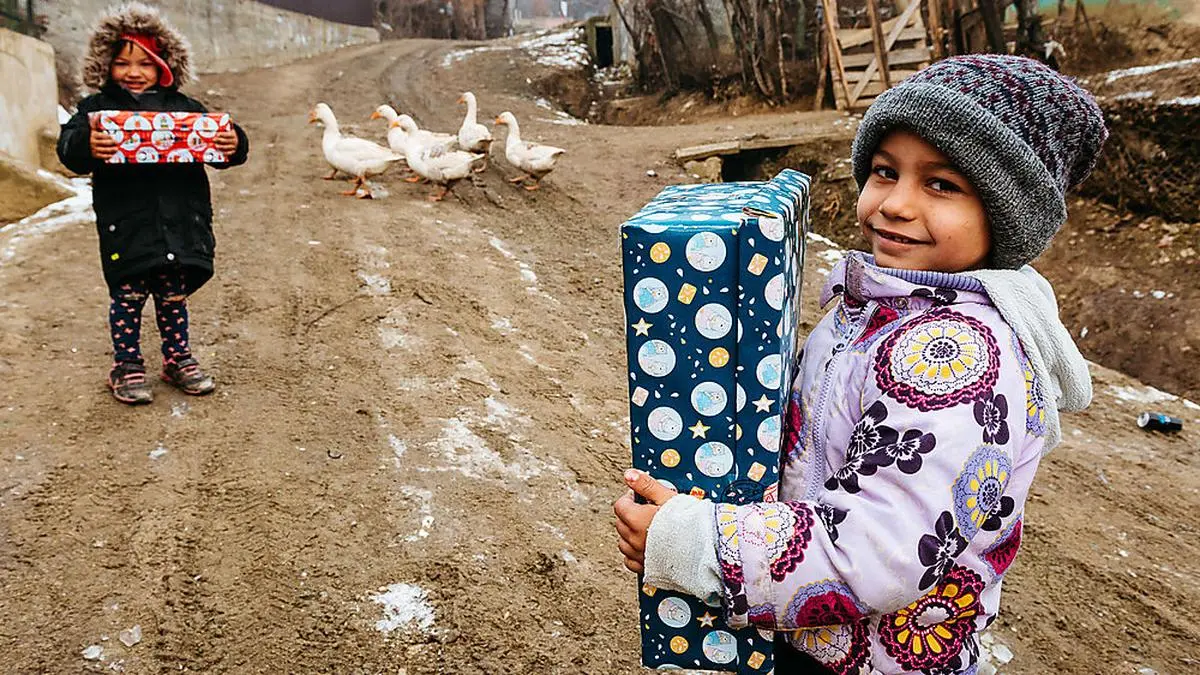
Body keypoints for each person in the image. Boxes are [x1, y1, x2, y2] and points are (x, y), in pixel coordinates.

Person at [614, 54, 1106, 674]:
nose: (895, 204)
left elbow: (881, 551)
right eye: (883, 171)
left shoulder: (951, 359)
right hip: (818, 634)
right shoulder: (881, 306)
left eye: (941, 184)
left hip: (869, 659)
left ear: (1007, 216)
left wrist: (697, 543)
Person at [57, 2, 249, 405]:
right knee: (127, 297)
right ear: (106, 65)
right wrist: (87, 146)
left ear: (164, 67)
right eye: (123, 63)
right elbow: (69, 147)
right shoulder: (96, 112)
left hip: (179, 222)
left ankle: (177, 358)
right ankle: (126, 365)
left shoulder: (185, 109)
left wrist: (233, 143)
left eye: (145, 64)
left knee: (173, 296)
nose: (134, 73)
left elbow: (217, 145)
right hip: (127, 224)